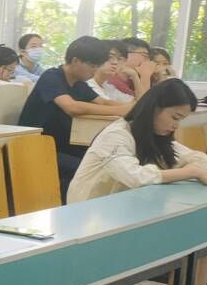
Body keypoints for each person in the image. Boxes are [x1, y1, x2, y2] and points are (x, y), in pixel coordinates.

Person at [68, 78, 207, 285]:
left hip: (123, 220)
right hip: (89, 228)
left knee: (199, 249)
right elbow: (137, 177)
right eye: (174, 117)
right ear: (155, 108)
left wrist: (192, 168)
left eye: (181, 120)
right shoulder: (117, 135)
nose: (176, 126)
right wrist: (191, 173)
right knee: (189, 251)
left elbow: (199, 158)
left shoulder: (154, 136)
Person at [17, 36, 132, 196]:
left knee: (107, 161)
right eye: (92, 66)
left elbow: (104, 103)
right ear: (75, 60)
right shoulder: (51, 77)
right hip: (38, 148)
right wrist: (121, 111)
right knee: (90, 169)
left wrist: (133, 108)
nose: (94, 71)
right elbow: (71, 107)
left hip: (65, 146)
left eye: (97, 66)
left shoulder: (79, 83)